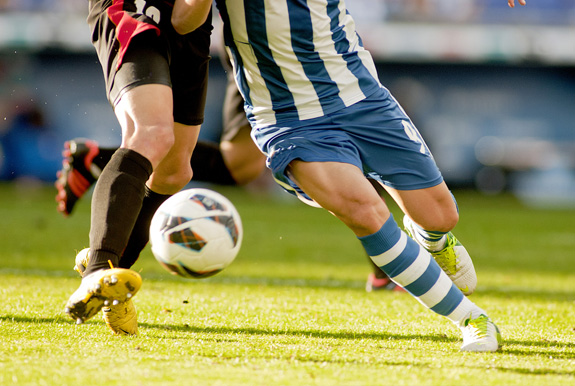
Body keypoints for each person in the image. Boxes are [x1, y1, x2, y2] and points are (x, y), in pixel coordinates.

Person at [169, 0, 527, 351]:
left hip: (360, 96)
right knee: (366, 212)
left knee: (441, 215)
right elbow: (183, 21)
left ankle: (432, 240)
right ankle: (471, 319)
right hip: (287, 119)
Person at [56, 64, 404, 293]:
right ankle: (386, 269)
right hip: (284, 44)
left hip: (276, 42)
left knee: (240, 165)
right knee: (346, 131)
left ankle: (98, 159)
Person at [63, 0, 213, 335]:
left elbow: (185, 20)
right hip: (134, 8)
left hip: (189, 30)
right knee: (151, 134)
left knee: (175, 172)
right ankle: (99, 270)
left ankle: (109, 279)